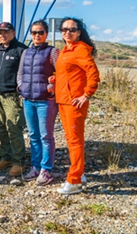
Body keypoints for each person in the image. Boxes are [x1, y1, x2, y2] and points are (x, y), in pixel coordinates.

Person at [55, 17, 100, 195]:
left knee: (75, 141)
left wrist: (87, 94)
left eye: (72, 29)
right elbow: (68, 72)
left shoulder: (80, 49)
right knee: (71, 139)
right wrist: (55, 79)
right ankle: (79, 174)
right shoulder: (66, 50)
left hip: (74, 102)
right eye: (64, 29)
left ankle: (74, 180)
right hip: (63, 100)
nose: (68, 32)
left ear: (79, 32)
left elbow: (93, 73)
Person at [17, 20, 59, 186]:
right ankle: (35, 166)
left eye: (40, 32)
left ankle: (46, 169)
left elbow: (62, 72)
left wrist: (52, 86)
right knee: (33, 136)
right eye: (34, 32)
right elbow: (20, 73)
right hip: (28, 100)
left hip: (45, 101)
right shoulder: (26, 52)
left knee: (46, 136)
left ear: (46, 34)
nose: (37, 35)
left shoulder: (52, 52)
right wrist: (21, 87)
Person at [0, 22, 27, 177]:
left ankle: (19, 161)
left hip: (12, 96)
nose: (2, 35)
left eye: (6, 32)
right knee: (0, 126)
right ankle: (6, 156)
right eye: (0, 32)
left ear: (13, 33)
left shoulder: (21, 50)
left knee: (14, 128)